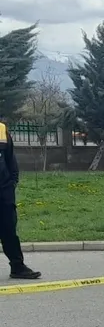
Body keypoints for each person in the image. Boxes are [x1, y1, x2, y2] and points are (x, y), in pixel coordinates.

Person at [0, 120, 41, 280]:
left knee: (9, 230)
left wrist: (12, 182)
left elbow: (10, 159)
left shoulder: (2, 130)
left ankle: (17, 267)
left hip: (4, 191)